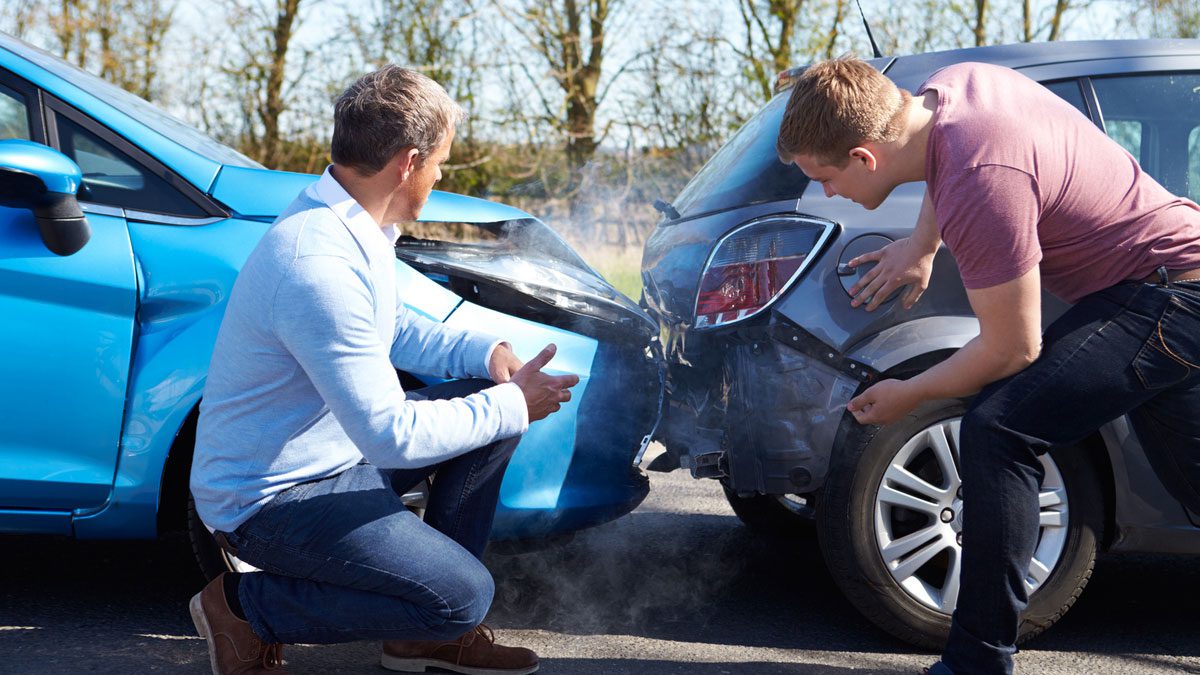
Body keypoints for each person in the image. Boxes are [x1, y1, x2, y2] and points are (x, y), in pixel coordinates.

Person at [776, 56, 1200, 674]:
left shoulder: (980, 175)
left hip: (1168, 296)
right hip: (1167, 282)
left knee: (1000, 429)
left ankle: (978, 659)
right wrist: (922, 246)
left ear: (865, 156)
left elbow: (1012, 349)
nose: (829, 193)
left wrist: (909, 394)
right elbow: (946, 162)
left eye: (826, 178)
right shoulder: (951, 89)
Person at [188, 65, 576, 675]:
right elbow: (388, 434)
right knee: (462, 595)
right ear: (409, 162)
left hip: (335, 458)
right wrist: (516, 403)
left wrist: (486, 356)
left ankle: (424, 632)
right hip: (271, 499)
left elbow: (387, 329)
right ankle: (243, 607)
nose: (442, 175)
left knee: (488, 396)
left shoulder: (355, 223)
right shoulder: (315, 262)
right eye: (443, 162)